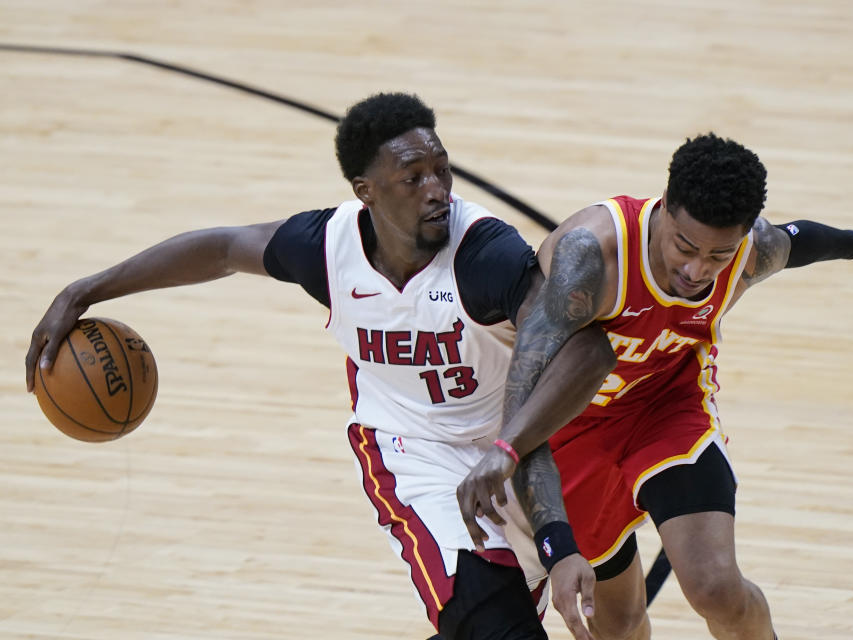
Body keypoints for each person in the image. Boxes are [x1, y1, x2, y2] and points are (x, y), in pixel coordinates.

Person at [24, 92, 602, 640]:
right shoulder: (327, 247)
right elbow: (224, 248)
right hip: (412, 451)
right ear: (366, 191)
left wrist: (509, 455)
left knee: (565, 615)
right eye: (413, 177)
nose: (438, 190)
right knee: (490, 621)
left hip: (517, 445)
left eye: (441, 169)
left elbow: (585, 349)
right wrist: (86, 291)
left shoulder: (484, 255)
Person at [457, 133, 853, 640]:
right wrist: (557, 548)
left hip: (666, 409)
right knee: (618, 622)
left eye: (719, 254)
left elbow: (799, 240)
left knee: (716, 587)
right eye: (685, 247)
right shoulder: (589, 257)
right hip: (571, 425)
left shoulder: (750, 251)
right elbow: (523, 406)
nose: (697, 270)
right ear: (665, 210)